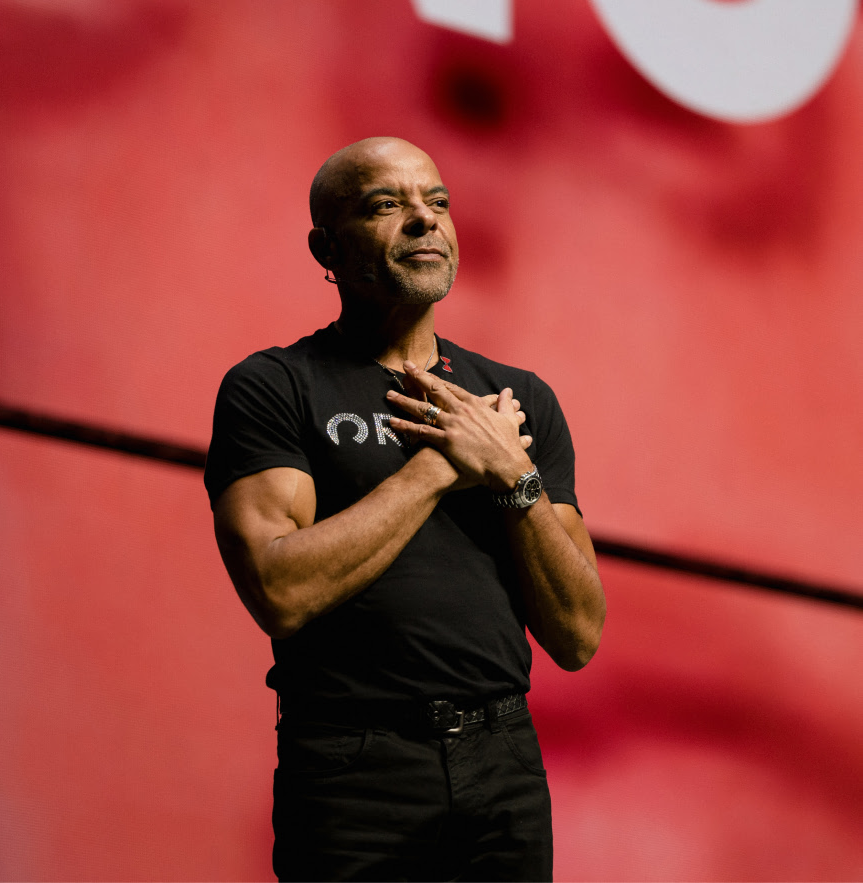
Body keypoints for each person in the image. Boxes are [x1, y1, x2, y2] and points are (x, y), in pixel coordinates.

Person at [204, 136, 606, 882]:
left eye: (438, 202)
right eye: (387, 205)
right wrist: (440, 466)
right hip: (355, 767)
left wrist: (512, 472)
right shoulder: (275, 386)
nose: (425, 221)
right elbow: (280, 590)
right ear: (327, 247)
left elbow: (579, 633)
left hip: (504, 757)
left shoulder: (516, 403)